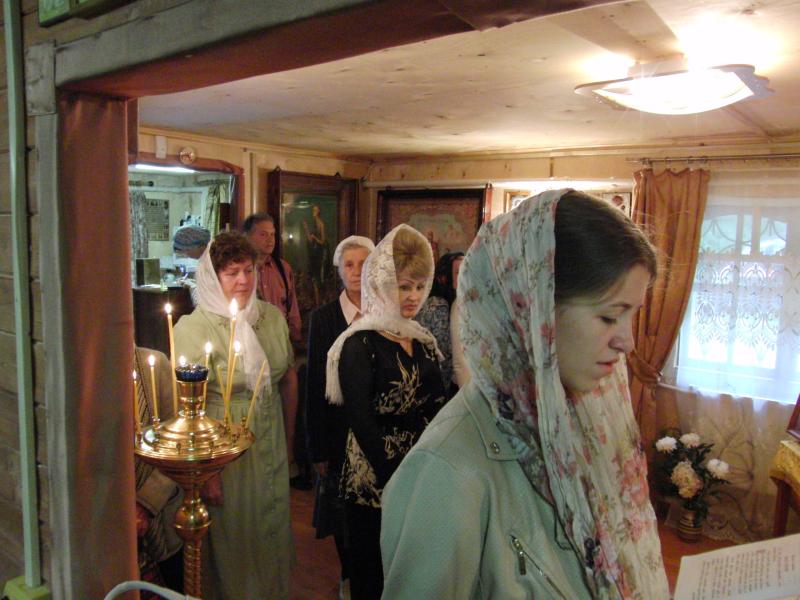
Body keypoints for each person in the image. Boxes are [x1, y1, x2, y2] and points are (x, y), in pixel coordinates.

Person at [380, 191, 669, 599]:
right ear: (532, 312)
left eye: (631, 315)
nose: (628, 341)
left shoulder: (585, 423)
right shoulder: (447, 472)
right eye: (609, 316)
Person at [326, 225, 448, 600]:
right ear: (382, 284)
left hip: (419, 463)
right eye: (404, 286)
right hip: (373, 471)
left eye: (419, 287)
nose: (413, 296)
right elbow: (360, 419)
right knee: (372, 567)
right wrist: (395, 473)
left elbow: (437, 404)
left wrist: (431, 461)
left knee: (411, 564)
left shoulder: (423, 340)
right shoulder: (358, 342)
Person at [174, 232, 295, 599]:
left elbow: (287, 378)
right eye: (231, 273)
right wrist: (205, 472)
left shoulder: (271, 318)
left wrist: (289, 444)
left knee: (270, 525)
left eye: (248, 270)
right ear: (213, 278)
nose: (243, 280)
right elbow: (184, 407)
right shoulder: (193, 328)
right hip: (223, 446)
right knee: (234, 535)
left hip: (269, 434)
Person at [305, 235, 375, 600]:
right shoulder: (324, 318)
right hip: (337, 430)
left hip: (374, 431)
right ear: (339, 271)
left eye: (364, 264)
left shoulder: (383, 314)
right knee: (341, 513)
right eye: (349, 264)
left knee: (371, 514)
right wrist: (316, 447)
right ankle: (348, 574)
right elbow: (315, 385)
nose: (357, 271)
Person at [243, 212, 309, 489]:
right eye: (263, 234)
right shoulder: (244, 269)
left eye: (273, 234)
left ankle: (287, 457)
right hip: (250, 340)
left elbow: (290, 304)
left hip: (279, 339)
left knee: (288, 388)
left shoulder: (282, 267)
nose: (270, 240)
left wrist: (294, 333)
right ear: (248, 236)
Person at [133, 347, 183, 593]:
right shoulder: (84, 376)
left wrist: (145, 504)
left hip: (159, 516)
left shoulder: (153, 364)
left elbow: (177, 442)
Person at [414, 251, 465, 395]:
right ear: (443, 278)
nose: (465, 275)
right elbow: (445, 356)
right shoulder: (438, 305)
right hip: (436, 386)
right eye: (458, 272)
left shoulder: (438, 302)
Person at [303, 204, 327, 307]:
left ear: (318, 212)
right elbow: (309, 239)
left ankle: (320, 302)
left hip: (319, 252)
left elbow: (323, 241)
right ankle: (316, 303)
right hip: (312, 251)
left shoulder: (321, 224)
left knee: (318, 277)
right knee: (313, 277)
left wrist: (315, 238)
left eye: (315, 210)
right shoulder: (312, 224)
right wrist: (306, 229)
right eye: (313, 210)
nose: (313, 212)